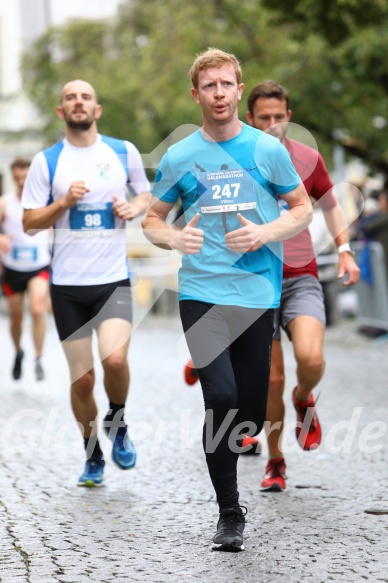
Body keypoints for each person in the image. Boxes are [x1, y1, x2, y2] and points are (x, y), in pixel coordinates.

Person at [142, 49, 312, 552]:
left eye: (226, 84)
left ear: (239, 90)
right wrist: (173, 239)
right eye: (208, 86)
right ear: (196, 95)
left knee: (251, 417)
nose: (218, 93)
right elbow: (152, 219)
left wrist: (264, 232)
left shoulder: (267, 150)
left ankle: (243, 426)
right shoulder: (179, 157)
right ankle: (229, 513)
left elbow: (300, 209)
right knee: (219, 399)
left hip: (257, 292)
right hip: (202, 294)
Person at [22, 80, 150, 487]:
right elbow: (28, 223)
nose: (78, 102)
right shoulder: (47, 162)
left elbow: (148, 195)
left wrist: (133, 206)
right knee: (82, 380)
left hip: (113, 280)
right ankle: (93, 453)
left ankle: (119, 419)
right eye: (70, 98)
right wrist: (63, 204)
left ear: (97, 109)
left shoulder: (122, 151)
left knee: (114, 361)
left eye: (86, 97)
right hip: (68, 287)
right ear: (61, 111)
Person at [244, 81, 360, 491]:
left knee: (310, 360)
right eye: (264, 118)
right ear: (250, 120)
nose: (273, 124)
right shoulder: (238, 161)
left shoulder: (308, 158)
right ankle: (276, 461)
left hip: (300, 276)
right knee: (270, 380)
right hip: (255, 282)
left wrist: (344, 249)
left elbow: (332, 206)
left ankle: (304, 396)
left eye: (279, 116)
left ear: (288, 116)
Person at [0, 157, 51, 381]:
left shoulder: (45, 201)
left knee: (37, 309)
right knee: (16, 319)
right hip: (12, 267)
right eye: (17, 177)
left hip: (38, 265)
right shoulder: (5, 202)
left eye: (25, 177)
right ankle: (19, 351)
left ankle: (38, 357)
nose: (21, 182)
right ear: (13, 177)